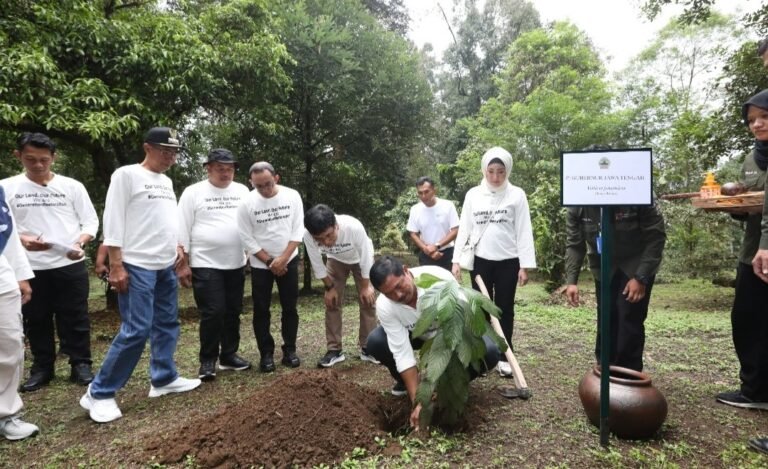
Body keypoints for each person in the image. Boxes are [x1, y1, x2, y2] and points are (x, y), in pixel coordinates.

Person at [79, 127, 200, 423]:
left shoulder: (167, 181)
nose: (171, 156)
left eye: (174, 152)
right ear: (147, 147)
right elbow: (114, 218)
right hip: (137, 264)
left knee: (167, 322)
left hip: (164, 264)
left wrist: (178, 248)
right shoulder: (126, 175)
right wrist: (116, 263)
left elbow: (163, 220)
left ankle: (163, 378)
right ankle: (100, 392)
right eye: (165, 150)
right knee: (136, 329)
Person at [2, 132, 99, 392]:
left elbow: (90, 221)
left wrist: (80, 242)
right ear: (18, 156)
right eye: (30, 159)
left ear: (53, 158)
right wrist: (22, 239)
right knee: (36, 318)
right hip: (28, 267)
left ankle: (81, 364)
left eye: (44, 159)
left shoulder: (72, 186)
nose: (38, 165)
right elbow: (3, 226)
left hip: (68, 262)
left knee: (75, 316)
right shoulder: (7, 187)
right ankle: (42, 368)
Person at [366, 256, 499, 429]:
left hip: (449, 335)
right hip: (416, 336)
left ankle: (450, 385)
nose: (397, 295)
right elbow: (401, 352)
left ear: (406, 271)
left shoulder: (439, 280)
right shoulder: (385, 306)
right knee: (376, 341)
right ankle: (407, 383)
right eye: (389, 293)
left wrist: (435, 380)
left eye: (399, 286)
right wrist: (419, 401)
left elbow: (459, 331)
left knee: (489, 352)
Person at [451, 147, 536, 377]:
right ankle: (482, 353)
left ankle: (504, 355)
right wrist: (456, 260)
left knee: (504, 309)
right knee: (480, 309)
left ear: (507, 170)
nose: (496, 177)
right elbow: (464, 228)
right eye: (491, 171)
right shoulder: (473, 195)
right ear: (484, 170)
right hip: (481, 262)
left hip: (509, 261)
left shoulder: (517, 194)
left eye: (500, 171)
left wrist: (524, 265)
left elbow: (524, 230)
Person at [564, 203, 666, 372]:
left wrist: (641, 277)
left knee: (629, 318)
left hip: (636, 264)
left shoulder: (638, 193)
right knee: (606, 316)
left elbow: (656, 237)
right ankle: (604, 370)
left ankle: (628, 375)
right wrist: (572, 281)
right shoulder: (578, 203)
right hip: (603, 266)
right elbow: (575, 244)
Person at [178, 149, 251, 381]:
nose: (226, 173)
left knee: (232, 310)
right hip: (205, 262)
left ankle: (229, 355)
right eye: (220, 168)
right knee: (213, 311)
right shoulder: (193, 192)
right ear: (208, 168)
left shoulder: (242, 191)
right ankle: (207, 359)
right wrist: (183, 262)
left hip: (236, 262)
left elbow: (249, 221)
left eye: (230, 169)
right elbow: (182, 226)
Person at [720, 90, 768, 409]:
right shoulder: (752, 159)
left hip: (766, 250)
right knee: (746, 320)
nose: (757, 125)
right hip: (752, 252)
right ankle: (754, 389)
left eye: (764, 117)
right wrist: (734, 204)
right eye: (751, 120)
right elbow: (750, 205)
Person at [237, 162, 304, 373]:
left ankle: (290, 350)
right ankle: (266, 354)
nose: (265, 190)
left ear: (276, 177)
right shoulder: (246, 203)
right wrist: (269, 262)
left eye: (267, 184)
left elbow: (297, 230)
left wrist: (283, 259)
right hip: (260, 264)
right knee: (261, 310)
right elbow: (246, 237)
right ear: (251, 183)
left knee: (290, 307)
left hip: (288, 260)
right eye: (259, 186)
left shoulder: (292, 196)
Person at [303, 204, 378, 367]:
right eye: (320, 239)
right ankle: (334, 350)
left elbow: (366, 255)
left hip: (360, 259)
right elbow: (316, 262)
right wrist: (329, 288)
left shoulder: (353, 226)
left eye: (329, 236)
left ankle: (369, 347)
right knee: (332, 303)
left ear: (336, 225)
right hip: (335, 260)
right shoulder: (308, 235)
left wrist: (366, 286)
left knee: (368, 301)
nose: (326, 242)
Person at [0, 185, 39, 440]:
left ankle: (6, 414)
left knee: (10, 346)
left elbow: (8, 230)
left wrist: (21, 273)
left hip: (2, 277)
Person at [407, 176, 459, 270]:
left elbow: (455, 230)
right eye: (420, 193)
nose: (423, 196)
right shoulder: (415, 209)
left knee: (447, 284)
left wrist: (437, 246)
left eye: (426, 192)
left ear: (434, 190)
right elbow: (413, 233)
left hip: (446, 254)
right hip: (426, 255)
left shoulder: (448, 206)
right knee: (427, 284)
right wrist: (426, 249)